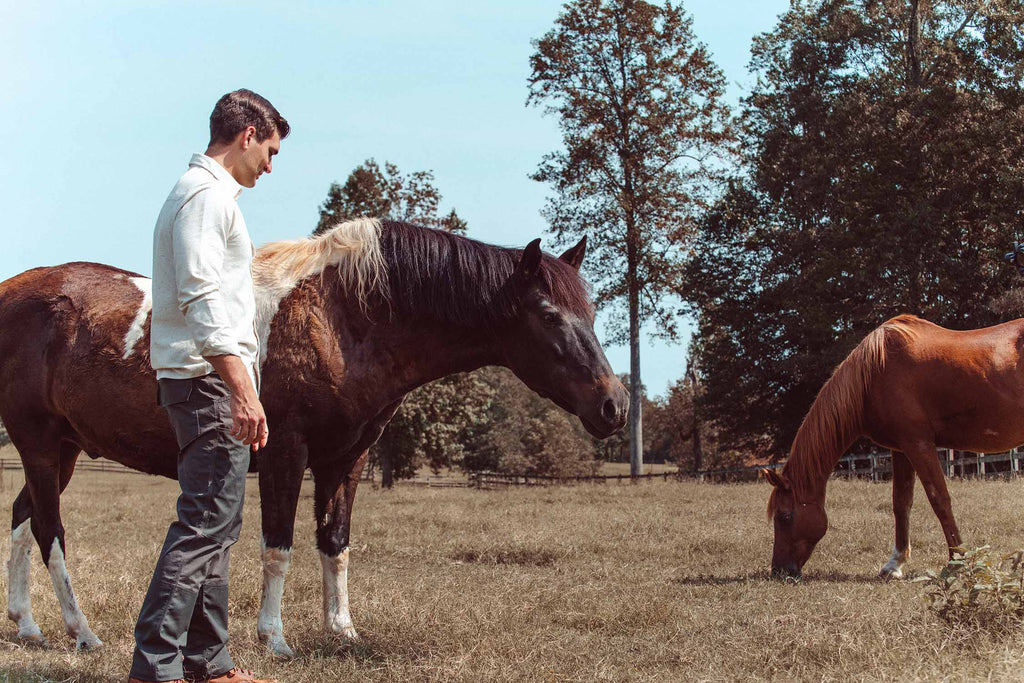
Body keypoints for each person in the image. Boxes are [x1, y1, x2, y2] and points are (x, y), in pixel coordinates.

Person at [129, 89, 288, 683]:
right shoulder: (203, 196)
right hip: (206, 384)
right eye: (270, 150)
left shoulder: (211, 195)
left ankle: (209, 662)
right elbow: (199, 299)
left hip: (209, 381)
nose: (271, 166)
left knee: (220, 528)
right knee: (201, 527)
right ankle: (157, 668)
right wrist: (243, 391)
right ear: (247, 135)